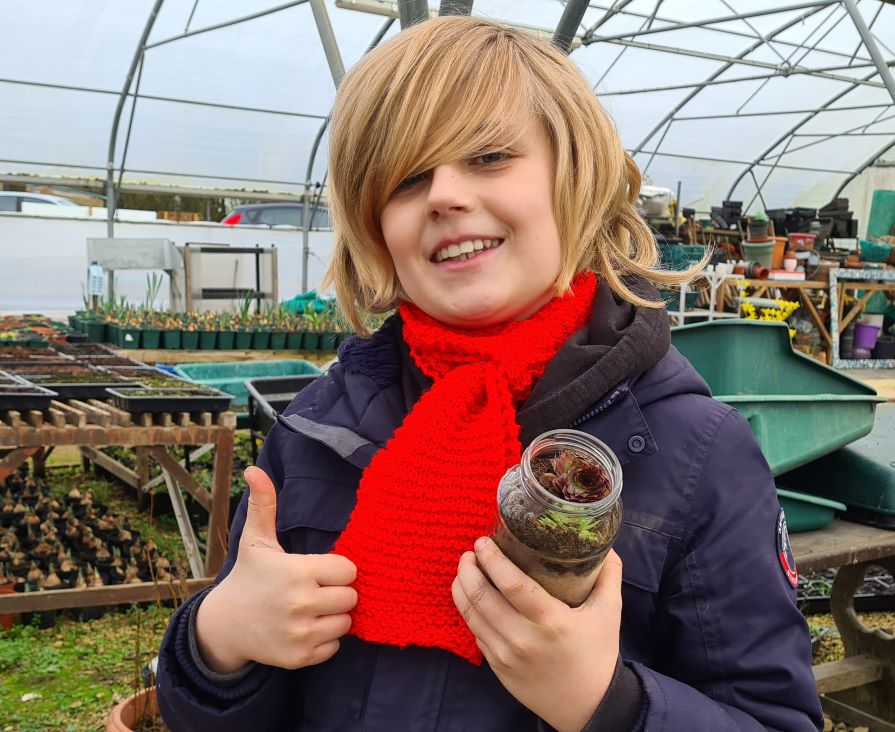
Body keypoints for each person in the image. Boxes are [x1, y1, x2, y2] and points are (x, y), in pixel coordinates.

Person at [156, 15, 824, 732]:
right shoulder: (323, 423)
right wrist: (216, 642)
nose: (443, 194)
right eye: (407, 178)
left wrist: (608, 703)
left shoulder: (694, 451)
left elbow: (773, 716)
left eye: (488, 157)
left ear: (575, 176)